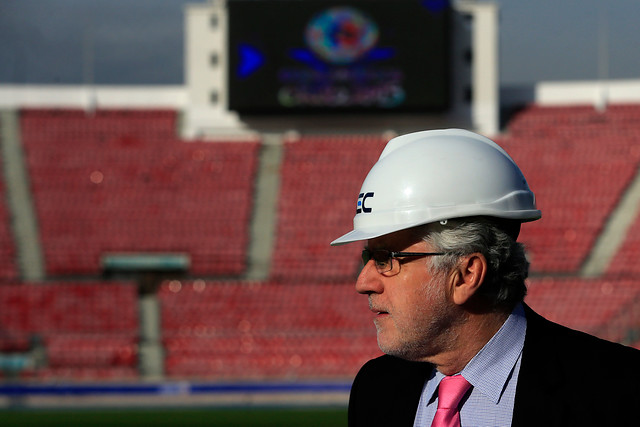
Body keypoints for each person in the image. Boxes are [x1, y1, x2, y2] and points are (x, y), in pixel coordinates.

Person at [330, 129, 640, 427]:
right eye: (368, 257)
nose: (363, 282)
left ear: (466, 275)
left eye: (386, 259)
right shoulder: (376, 389)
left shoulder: (620, 392)